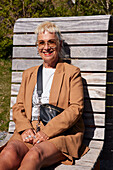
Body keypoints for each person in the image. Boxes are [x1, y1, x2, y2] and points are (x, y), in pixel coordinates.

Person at [0, 21, 89, 170]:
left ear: (59, 44)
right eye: (41, 43)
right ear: (37, 46)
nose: (46, 47)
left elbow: (76, 108)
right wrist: (25, 128)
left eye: (51, 42)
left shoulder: (71, 73)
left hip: (60, 134)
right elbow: (18, 106)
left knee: (34, 155)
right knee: (8, 152)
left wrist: (47, 132)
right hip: (30, 131)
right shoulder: (29, 74)